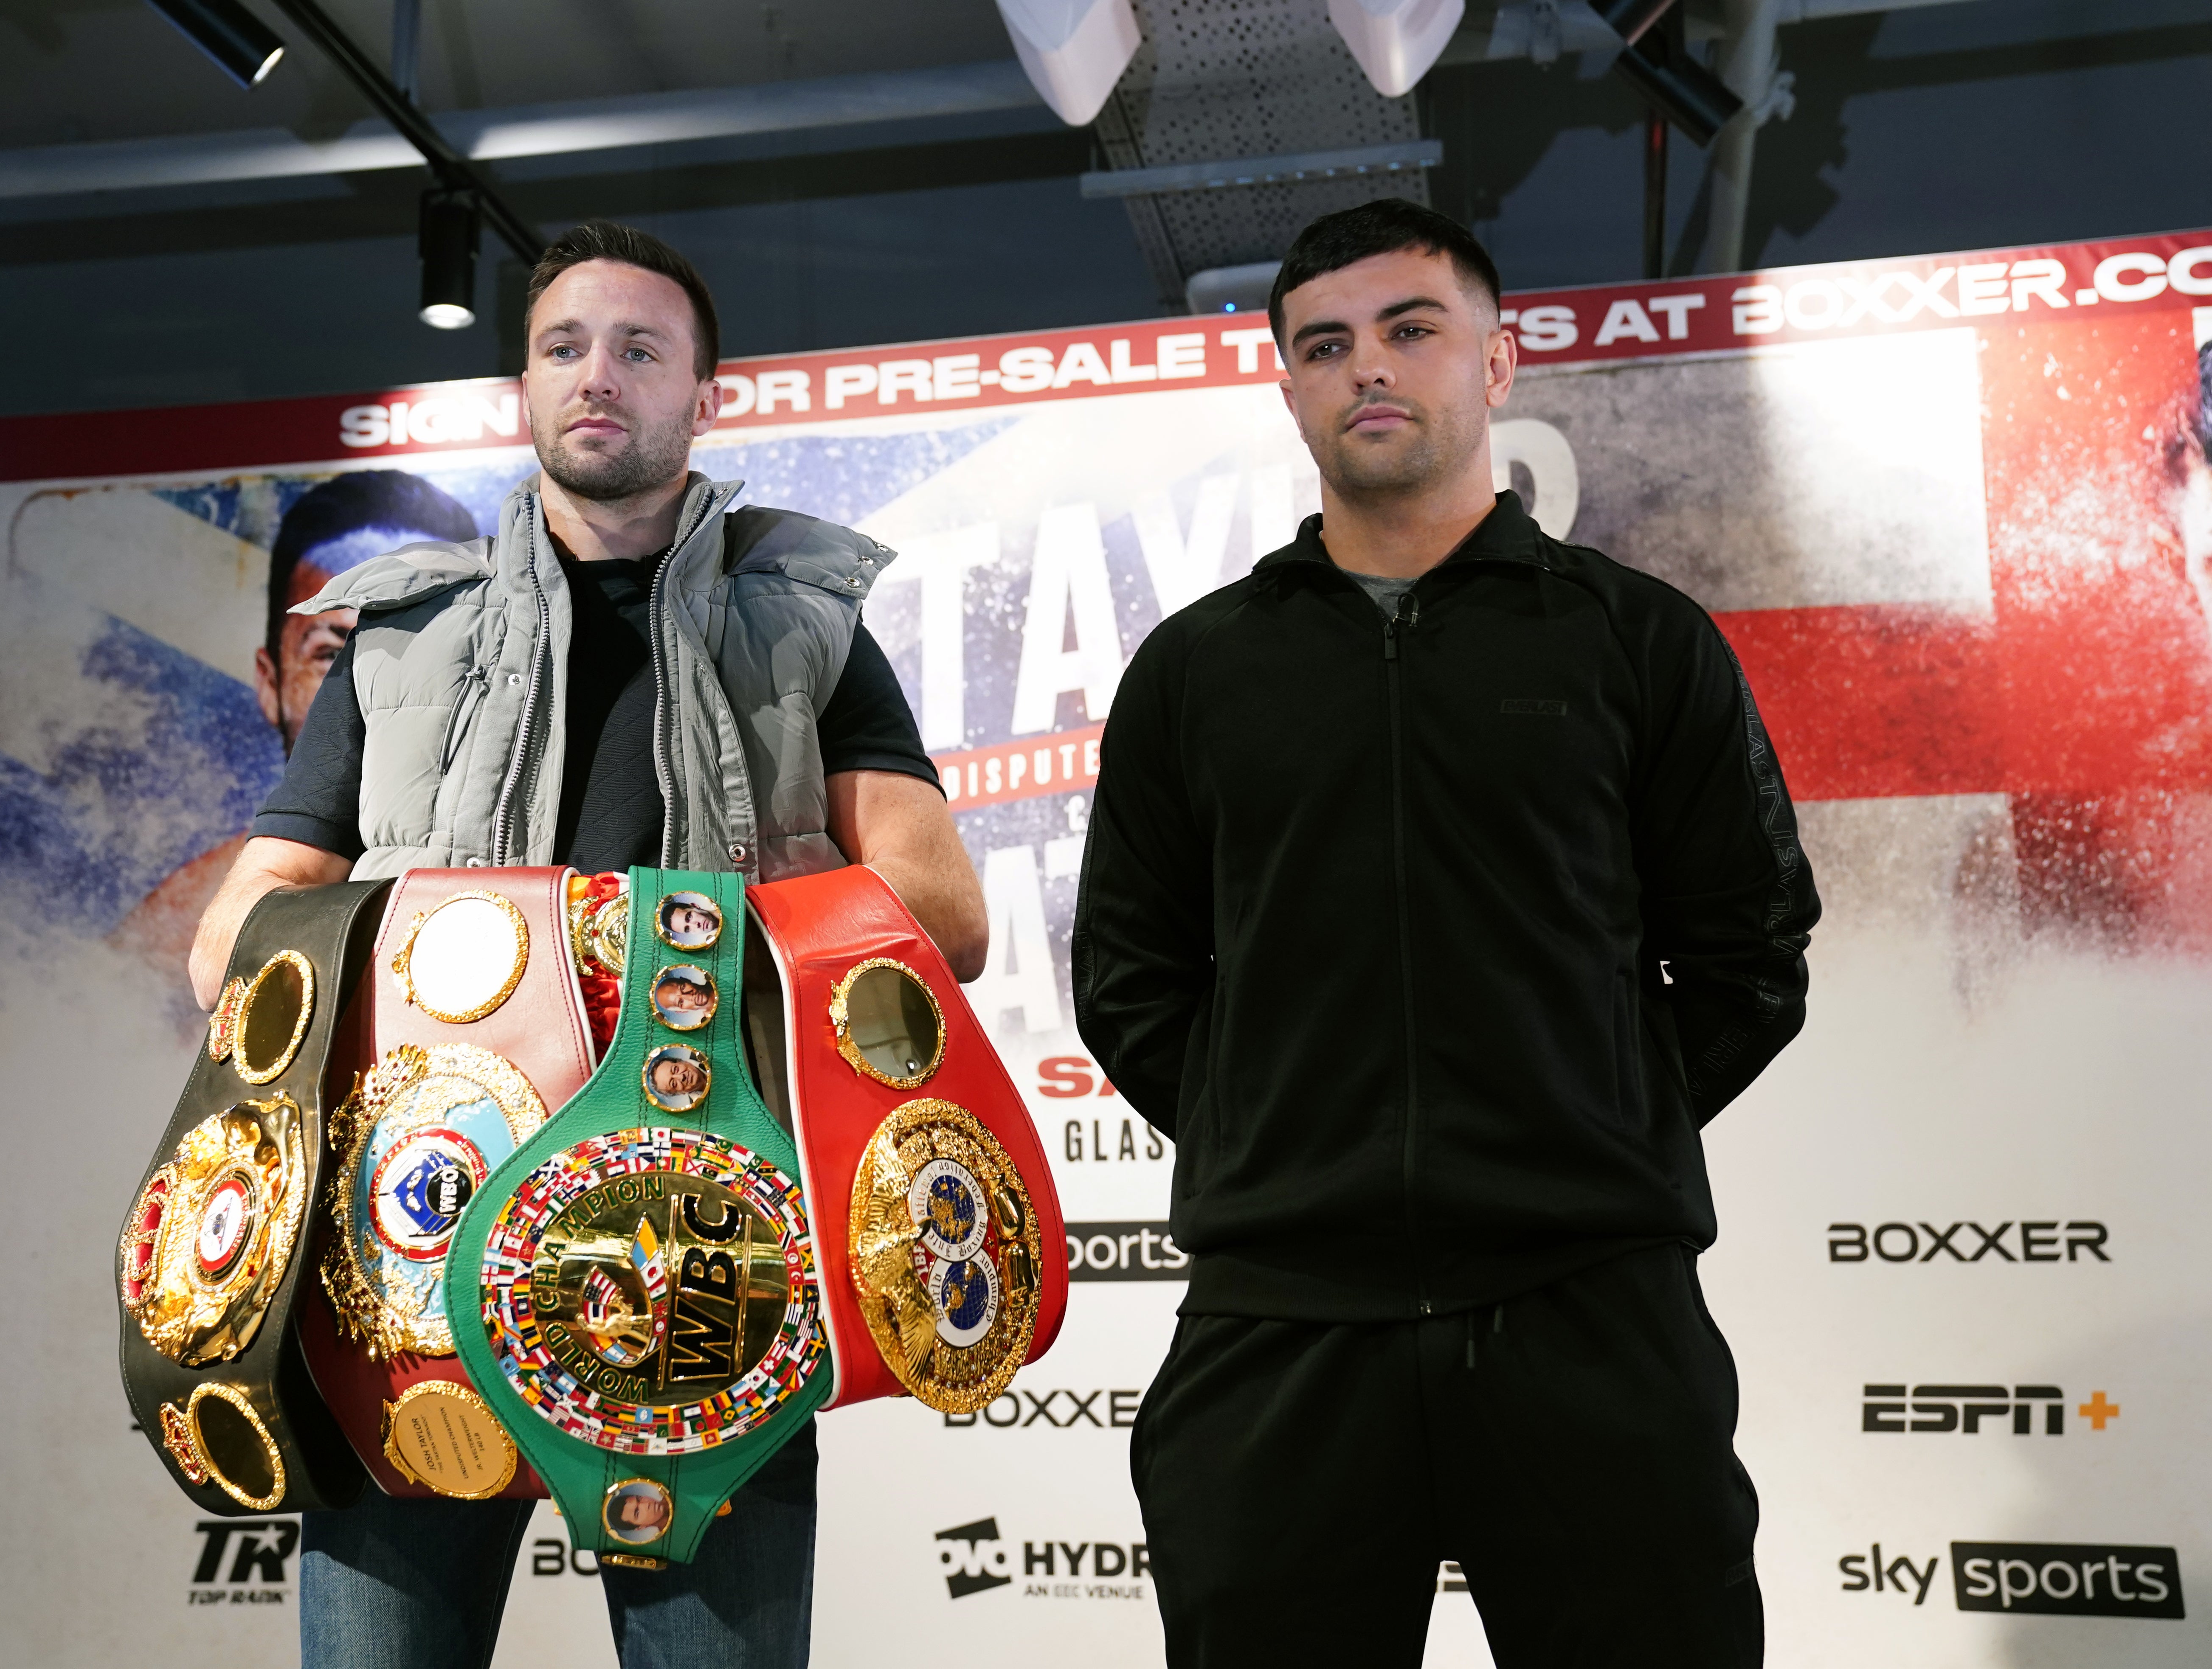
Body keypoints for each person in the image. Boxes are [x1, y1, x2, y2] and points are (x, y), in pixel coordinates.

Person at [187, 219, 988, 1669]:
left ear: (704, 393)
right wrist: (450, 960)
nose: (595, 376)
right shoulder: (398, 633)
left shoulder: (803, 623)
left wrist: (645, 945)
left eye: (638, 348)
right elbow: (234, 941)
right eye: (563, 347)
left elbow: (941, 916)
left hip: (707, 1237)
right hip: (415, 1237)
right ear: (525, 389)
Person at [1072, 198, 1820, 1668]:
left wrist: (1578, 1113)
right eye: (1323, 344)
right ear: (1285, 385)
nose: (1366, 368)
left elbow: (1746, 958)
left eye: (1409, 330)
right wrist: (1276, 1134)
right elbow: (1131, 979)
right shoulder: (1195, 671)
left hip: (1587, 1311)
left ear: (1494, 362)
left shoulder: (1633, 640)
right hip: (1278, 1323)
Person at [114, 471, 478, 972]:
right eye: (329, 652)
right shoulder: (159, 947)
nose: (381, 682)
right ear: (271, 683)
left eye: (423, 644)